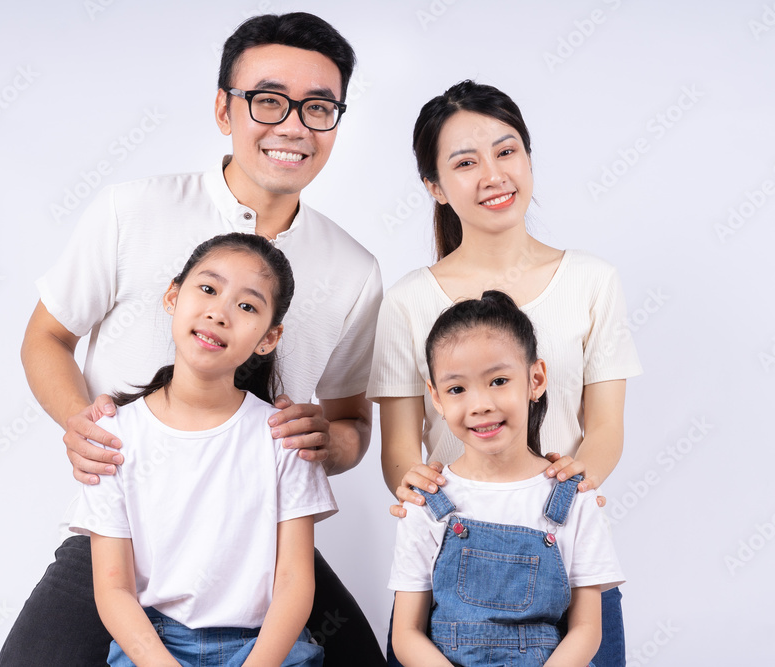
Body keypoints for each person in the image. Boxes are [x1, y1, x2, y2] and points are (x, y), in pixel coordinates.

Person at [0, 13, 385, 666]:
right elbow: (45, 337)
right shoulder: (132, 209)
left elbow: (351, 423)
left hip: (255, 542)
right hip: (123, 530)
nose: (293, 126)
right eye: (268, 100)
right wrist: (82, 425)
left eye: (319, 108)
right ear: (222, 108)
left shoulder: (354, 268)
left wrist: (329, 441)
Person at [368, 80, 641, 666]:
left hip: (566, 561)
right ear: (435, 187)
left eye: (506, 150)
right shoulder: (408, 301)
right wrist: (417, 491)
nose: (493, 174)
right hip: (450, 557)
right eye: (465, 162)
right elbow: (398, 451)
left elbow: (608, 429)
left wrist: (560, 494)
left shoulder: (592, 281)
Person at [73, 233, 334, 666]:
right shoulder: (114, 436)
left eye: (247, 306)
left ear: (269, 338)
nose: (219, 312)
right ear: (173, 297)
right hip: (154, 646)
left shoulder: (283, 436)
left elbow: (293, 582)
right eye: (208, 289)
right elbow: (114, 589)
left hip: (263, 647)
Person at [389, 290, 624, 665]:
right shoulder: (425, 502)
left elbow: (586, 630)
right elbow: (405, 634)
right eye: (456, 389)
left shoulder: (574, 499)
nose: (480, 404)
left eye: (498, 381)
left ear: (535, 379)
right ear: (435, 398)